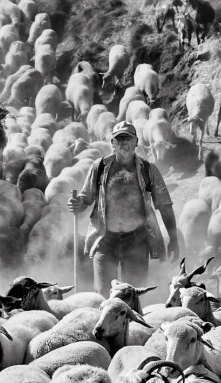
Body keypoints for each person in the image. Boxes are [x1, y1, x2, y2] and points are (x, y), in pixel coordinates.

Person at [68, 120, 178, 294]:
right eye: (119, 139)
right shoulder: (99, 168)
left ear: (136, 141)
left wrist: (174, 238)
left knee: (133, 293)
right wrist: (77, 204)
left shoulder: (148, 170)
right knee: (103, 293)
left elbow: (164, 205)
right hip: (105, 240)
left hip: (136, 240)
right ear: (112, 143)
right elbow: (85, 199)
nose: (123, 142)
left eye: (128, 138)